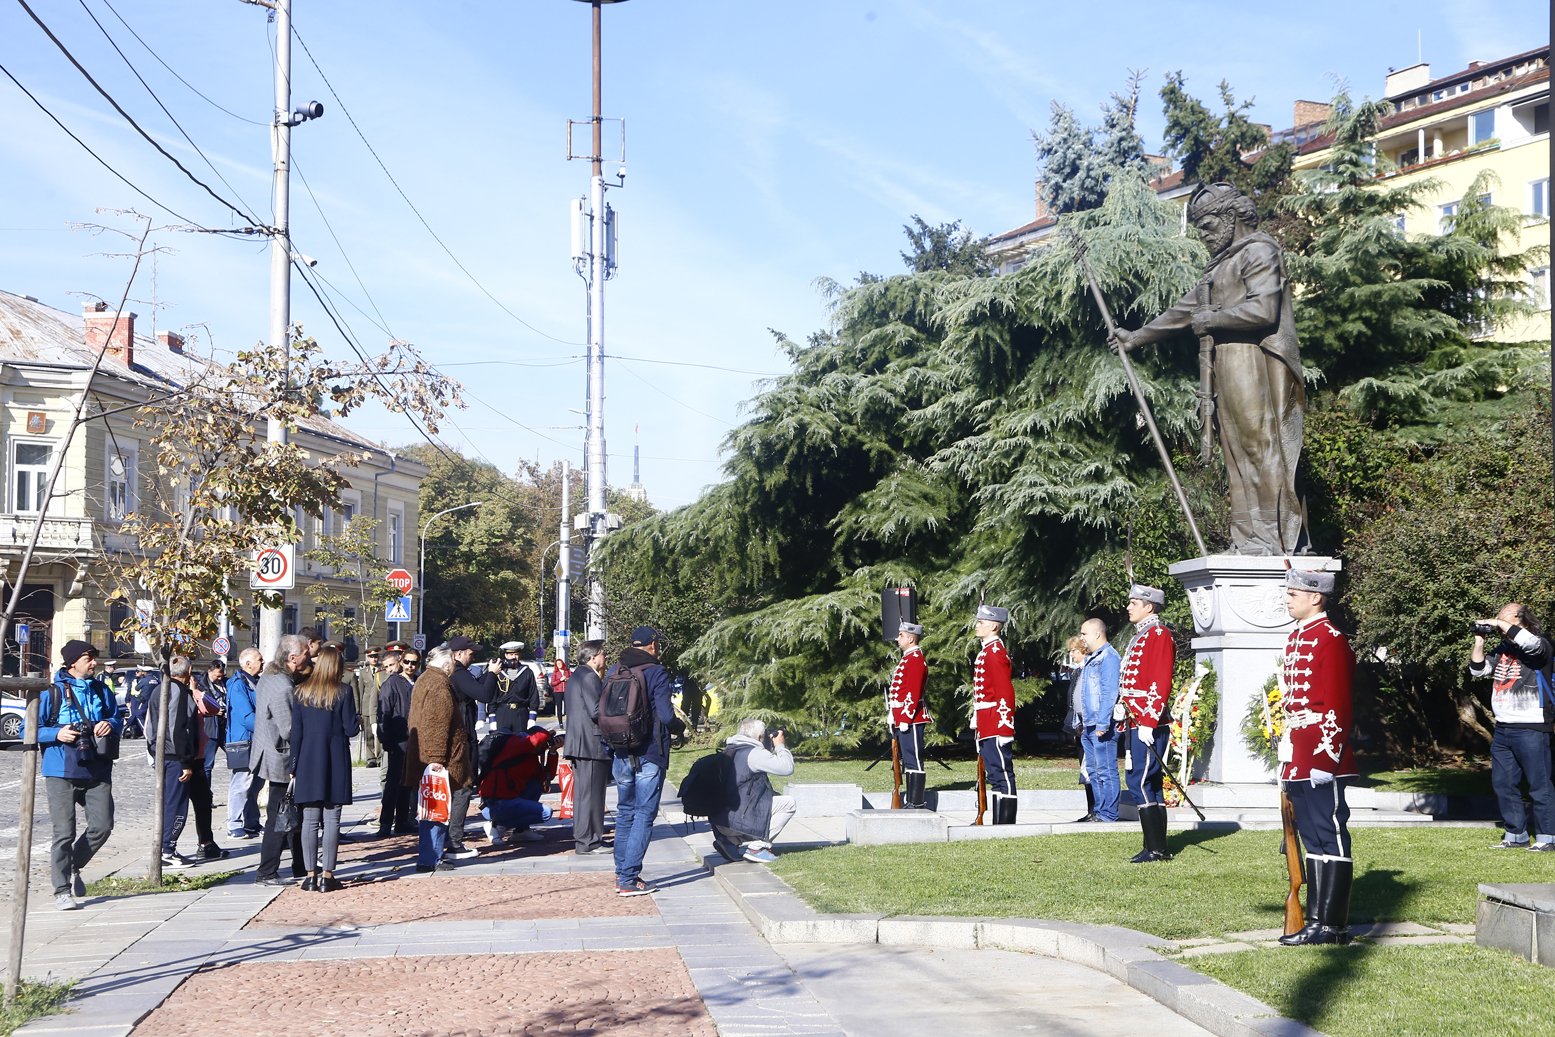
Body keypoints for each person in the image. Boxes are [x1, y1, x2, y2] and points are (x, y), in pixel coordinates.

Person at [1111, 182, 1306, 556]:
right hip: (1227, 363)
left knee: (1259, 447)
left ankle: (1274, 538)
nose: (1203, 234)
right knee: (1234, 451)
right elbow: (1185, 312)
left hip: (1252, 360)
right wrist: (1136, 337)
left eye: (1209, 224)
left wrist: (1214, 318)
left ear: (1232, 217)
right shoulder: (1223, 265)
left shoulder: (1260, 251)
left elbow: (1264, 310)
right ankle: (1247, 538)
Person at [1277, 569, 1358, 946]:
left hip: (1324, 753)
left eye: (1294, 593)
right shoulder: (1296, 637)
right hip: (1298, 748)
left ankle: (1334, 924)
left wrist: (1326, 760)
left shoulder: (1331, 640)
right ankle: (1314, 921)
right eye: (1289, 592)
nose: (1288, 598)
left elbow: (1339, 706)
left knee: (1331, 832)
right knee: (1310, 835)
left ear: (1316, 598)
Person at [34, 640, 121, 910]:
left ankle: (72, 865)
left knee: (103, 825)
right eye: (89, 658)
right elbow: (32, 727)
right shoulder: (53, 692)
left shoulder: (100, 689)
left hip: (96, 766)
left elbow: (117, 716)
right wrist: (56, 733)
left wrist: (109, 723)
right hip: (61, 769)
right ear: (73, 662)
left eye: (94, 657)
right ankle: (61, 890)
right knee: (64, 832)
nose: (94, 662)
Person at [605, 625, 683, 897]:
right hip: (649, 751)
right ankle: (628, 878)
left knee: (625, 811)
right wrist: (680, 729)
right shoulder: (656, 672)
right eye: (657, 644)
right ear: (652, 645)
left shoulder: (615, 670)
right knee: (644, 814)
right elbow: (665, 714)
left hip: (621, 751)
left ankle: (621, 872)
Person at [1469, 602, 1555, 851]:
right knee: (1504, 784)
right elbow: (1478, 670)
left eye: (1503, 617)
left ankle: (1547, 837)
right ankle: (1515, 834)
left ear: (1520, 618)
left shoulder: (1541, 644)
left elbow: (1530, 644)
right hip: (1504, 728)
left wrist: (1498, 623)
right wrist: (1479, 640)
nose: (1497, 621)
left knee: (1540, 784)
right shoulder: (1504, 649)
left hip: (1532, 726)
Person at [288, 644, 361, 891]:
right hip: (335, 758)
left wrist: (293, 765)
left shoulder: (300, 692)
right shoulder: (343, 692)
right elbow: (351, 729)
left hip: (308, 759)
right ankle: (328, 876)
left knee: (309, 819)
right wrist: (357, 721)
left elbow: (295, 734)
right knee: (332, 819)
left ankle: (310, 876)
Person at [1120, 584, 1175, 863]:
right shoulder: (1141, 635)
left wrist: (1149, 721)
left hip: (1147, 720)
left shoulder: (1158, 634)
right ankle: (1155, 846)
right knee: (1147, 781)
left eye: (1134, 602)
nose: (1129, 607)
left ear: (1149, 606)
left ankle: (1155, 848)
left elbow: (1160, 681)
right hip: (1135, 718)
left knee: (1140, 780)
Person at [251, 634, 310, 886]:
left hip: (270, 752)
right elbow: (289, 729)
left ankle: (300, 864)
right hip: (279, 757)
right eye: (306, 653)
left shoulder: (271, 677)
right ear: (293, 657)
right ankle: (267, 871)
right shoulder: (283, 687)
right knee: (279, 814)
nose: (309, 656)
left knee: (290, 812)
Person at [404, 646, 468, 872]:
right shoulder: (439, 685)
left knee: (430, 808)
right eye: (452, 660)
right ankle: (430, 858)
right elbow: (436, 725)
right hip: (437, 759)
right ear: (447, 664)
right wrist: (437, 760)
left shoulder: (425, 678)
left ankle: (431, 855)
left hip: (426, 755)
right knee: (436, 808)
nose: (454, 665)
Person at [710, 718, 797, 863]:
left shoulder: (730, 749)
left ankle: (729, 841)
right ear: (759, 737)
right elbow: (787, 768)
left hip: (721, 821)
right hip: (738, 819)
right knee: (789, 803)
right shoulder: (753, 753)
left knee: (772, 799)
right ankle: (758, 848)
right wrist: (780, 745)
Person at [144, 656, 200, 869]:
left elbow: (150, 725)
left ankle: (165, 847)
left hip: (162, 753)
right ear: (189, 670)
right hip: (175, 757)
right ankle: (168, 848)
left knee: (168, 801)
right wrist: (185, 760)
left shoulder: (159, 689)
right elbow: (178, 727)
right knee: (176, 804)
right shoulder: (177, 691)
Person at [446, 634, 499, 857]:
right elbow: (483, 694)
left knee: (461, 789)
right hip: (460, 740)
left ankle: (452, 839)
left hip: (463, 736)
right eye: (470, 652)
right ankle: (454, 842)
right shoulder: (457, 673)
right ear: (458, 654)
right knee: (462, 789)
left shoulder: (459, 673)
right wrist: (491, 674)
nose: (473, 655)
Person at [563, 639, 612, 855]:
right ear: (592, 657)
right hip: (590, 744)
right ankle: (590, 841)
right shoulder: (590, 676)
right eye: (602, 654)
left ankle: (587, 839)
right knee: (591, 795)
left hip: (580, 743)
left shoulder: (577, 675)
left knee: (585, 794)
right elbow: (596, 711)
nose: (605, 658)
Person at [972, 604, 1018, 825]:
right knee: (993, 773)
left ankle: (1006, 823)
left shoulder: (995, 652)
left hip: (996, 721)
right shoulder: (987, 651)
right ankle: (998, 822)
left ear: (993, 626)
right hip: (986, 720)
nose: (977, 625)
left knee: (1002, 772)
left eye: (981, 622)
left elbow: (1004, 690)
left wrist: (1005, 725)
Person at [1077, 618, 1123, 824]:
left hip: (1101, 724)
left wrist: (1103, 724)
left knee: (1106, 769)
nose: (1081, 638)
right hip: (1088, 724)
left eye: (1084, 634)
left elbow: (1109, 692)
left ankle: (1109, 814)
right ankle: (1099, 811)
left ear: (1097, 634)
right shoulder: (1092, 658)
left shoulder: (1108, 657)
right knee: (1094, 771)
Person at [478, 725, 556, 844]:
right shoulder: (516, 744)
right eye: (545, 743)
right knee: (546, 813)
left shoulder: (530, 755)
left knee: (535, 785)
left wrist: (552, 751)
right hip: (493, 805)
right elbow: (537, 739)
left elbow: (546, 777)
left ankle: (521, 831)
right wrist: (548, 734)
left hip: (506, 801)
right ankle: (498, 824)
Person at [185, 660, 229, 862]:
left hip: (198, 755)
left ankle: (206, 843)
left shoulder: (197, 691)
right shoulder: (183, 692)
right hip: (185, 758)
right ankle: (168, 848)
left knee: (203, 803)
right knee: (179, 805)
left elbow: (211, 706)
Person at [887, 621, 933, 810]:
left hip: (912, 718)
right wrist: (893, 714)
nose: (898, 638)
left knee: (913, 758)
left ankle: (916, 801)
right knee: (907, 759)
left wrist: (904, 718)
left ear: (911, 638)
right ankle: (911, 801)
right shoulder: (907, 658)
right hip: (902, 716)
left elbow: (912, 692)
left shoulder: (915, 659)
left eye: (901, 635)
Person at [374, 648, 417, 837]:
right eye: (407, 662)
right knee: (393, 783)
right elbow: (384, 712)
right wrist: (386, 739)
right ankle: (385, 823)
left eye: (413, 663)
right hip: (398, 739)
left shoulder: (417, 680)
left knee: (407, 782)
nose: (410, 666)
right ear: (402, 661)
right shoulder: (392, 683)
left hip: (414, 739)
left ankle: (402, 821)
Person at [224, 648, 263, 839]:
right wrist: (269, 730)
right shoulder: (238, 684)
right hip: (244, 740)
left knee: (256, 783)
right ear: (248, 664)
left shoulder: (254, 682)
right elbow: (247, 716)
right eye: (259, 660)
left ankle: (252, 822)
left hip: (256, 739)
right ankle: (234, 823)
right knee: (241, 783)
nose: (262, 663)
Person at [491, 641, 540, 733]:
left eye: (516, 654)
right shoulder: (498, 672)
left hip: (521, 712)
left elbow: (533, 695)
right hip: (503, 712)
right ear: (506, 655)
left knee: (521, 744)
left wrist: (532, 717)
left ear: (520, 655)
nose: (514, 657)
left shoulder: (527, 672)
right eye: (511, 654)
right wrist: (492, 718)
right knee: (502, 744)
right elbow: (492, 696)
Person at [352, 646, 382, 768]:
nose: (374, 659)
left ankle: (380, 757)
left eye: (375, 656)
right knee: (368, 734)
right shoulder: (364, 672)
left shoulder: (382, 670)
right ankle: (371, 758)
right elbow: (360, 691)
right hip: (366, 707)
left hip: (379, 706)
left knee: (379, 734)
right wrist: (358, 710)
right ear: (368, 658)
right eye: (371, 657)